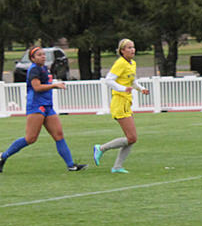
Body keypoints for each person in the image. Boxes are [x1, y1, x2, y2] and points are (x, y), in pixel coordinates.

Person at [0, 46, 86, 173]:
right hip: (36, 106)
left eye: (43, 54)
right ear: (32, 58)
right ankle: (3, 156)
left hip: (47, 106)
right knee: (30, 138)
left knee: (59, 135)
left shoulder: (43, 68)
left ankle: (71, 165)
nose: (43, 57)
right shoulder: (34, 69)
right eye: (39, 55)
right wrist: (54, 85)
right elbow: (37, 87)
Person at [92, 38, 150, 174]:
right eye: (129, 47)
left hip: (126, 102)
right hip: (119, 102)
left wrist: (141, 89)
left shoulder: (132, 64)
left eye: (133, 47)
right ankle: (101, 148)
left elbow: (132, 81)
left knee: (132, 138)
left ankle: (117, 167)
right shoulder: (120, 63)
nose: (132, 50)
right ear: (122, 51)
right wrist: (123, 89)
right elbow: (108, 80)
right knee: (132, 138)